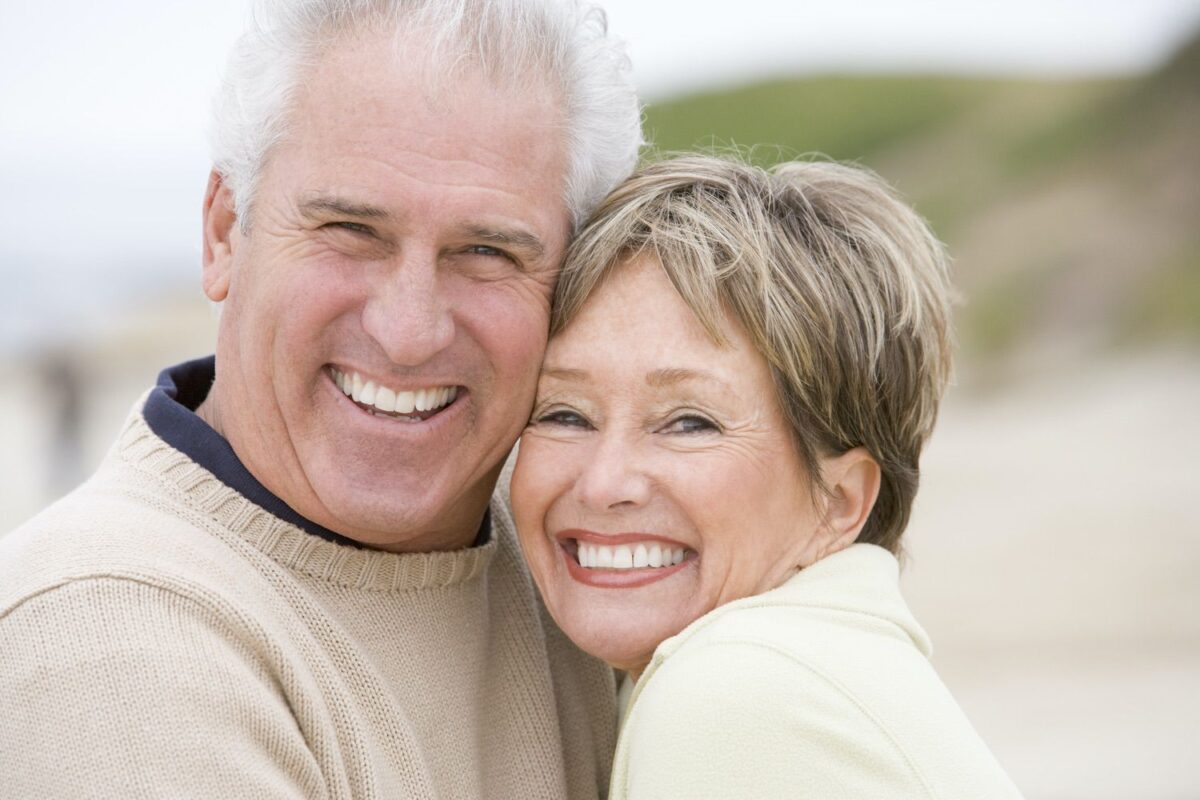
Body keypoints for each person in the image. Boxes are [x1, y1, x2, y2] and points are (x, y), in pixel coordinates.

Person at [0, 0, 641, 796]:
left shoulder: (590, 548)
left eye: (486, 250)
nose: (409, 332)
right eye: (350, 230)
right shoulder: (107, 641)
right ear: (225, 233)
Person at [512, 155, 1025, 798]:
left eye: (690, 423)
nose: (602, 483)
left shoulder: (737, 691)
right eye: (564, 413)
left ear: (839, 501)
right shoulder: (826, 667)